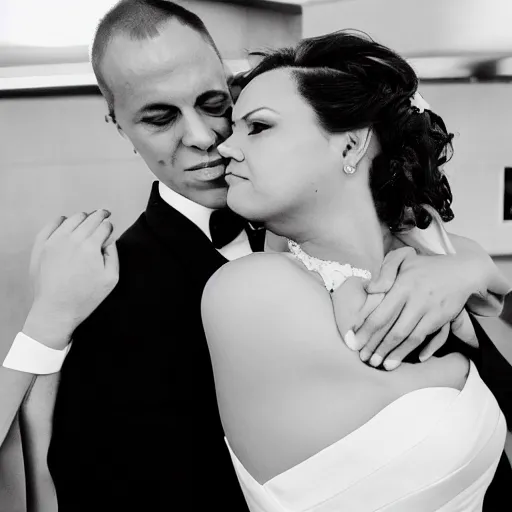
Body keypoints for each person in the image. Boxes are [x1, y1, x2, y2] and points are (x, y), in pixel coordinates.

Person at [7, 2, 509, 511]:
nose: (206, 140)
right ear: (119, 126)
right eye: (160, 119)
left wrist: (467, 271)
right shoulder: (110, 292)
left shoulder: (399, 243)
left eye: (214, 104)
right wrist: (42, 332)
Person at [201, 31, 512, 511]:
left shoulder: (431, 259)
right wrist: (457, 279)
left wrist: (464, 268)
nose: (225, 149)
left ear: (350, 147)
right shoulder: (247, 288)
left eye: (258, 127)